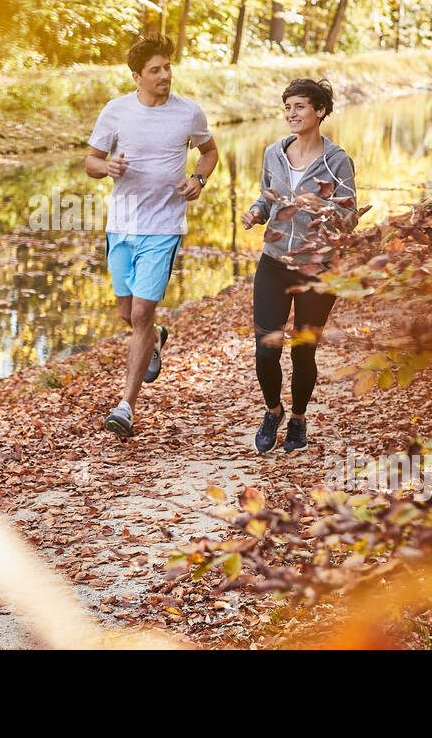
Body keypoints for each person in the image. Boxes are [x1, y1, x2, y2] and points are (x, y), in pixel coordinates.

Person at [84, 35, 218, 439]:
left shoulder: (188, 113)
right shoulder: (116, 111)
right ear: (137, 76)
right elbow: (90, 161)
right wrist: (106, 169)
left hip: (163, 227)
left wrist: (198, 179)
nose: (165, 75)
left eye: (168, 68)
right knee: (129, 315)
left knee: (140, 315)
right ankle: (156, 338)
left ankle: (126, 406)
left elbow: (210, 153)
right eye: (156, 70)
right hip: (120, 225)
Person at [240, 78, 357, 454]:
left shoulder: (337, 160)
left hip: (318, 268)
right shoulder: (274, 152)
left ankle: (299, 419)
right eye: (288, 107)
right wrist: (257, 212)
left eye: (300, 106)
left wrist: (322, 209)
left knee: (303, 351)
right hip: (274, 262)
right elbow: (268, 197)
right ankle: (273, 410)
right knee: (265, 348)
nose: (291, 114)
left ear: (319, 111)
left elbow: (349, 215)